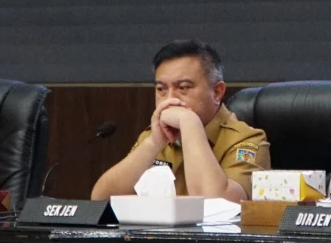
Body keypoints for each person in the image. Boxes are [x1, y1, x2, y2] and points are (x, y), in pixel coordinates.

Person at [91, 40, 269, 200]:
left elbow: (217, 205)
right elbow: (101, 199)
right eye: (161, 89)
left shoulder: (247, 140)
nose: (169, 99)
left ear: (217, 92)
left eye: (183, 88)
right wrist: (153, 143)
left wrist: (190, 124)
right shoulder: (156, 135)